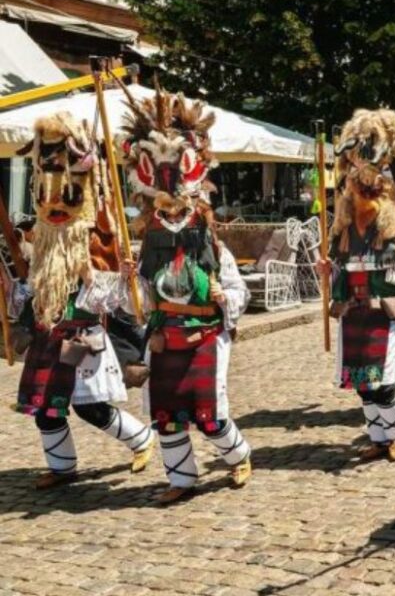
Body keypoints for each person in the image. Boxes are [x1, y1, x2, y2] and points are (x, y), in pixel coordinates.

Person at [112, 89, 253, 504]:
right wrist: (129, 281)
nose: (173, 217)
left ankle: (239, 455)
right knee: (167, 415)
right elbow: (136, 304)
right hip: (164, 336)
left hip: (206, 333)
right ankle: (181, 479)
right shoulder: (149, 246)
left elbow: (239, 291)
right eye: (166, 212)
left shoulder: (212, 245)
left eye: (179, 211)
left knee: (209, 415)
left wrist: (223, 296)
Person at [12, 112, 154, 490]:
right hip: (48, 336)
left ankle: (142, 438)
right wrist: (15, 289)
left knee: (90, 408)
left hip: (81, 338)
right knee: (45, 409)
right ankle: (62, 468)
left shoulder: (93, 237)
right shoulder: (43, 240)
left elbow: (113, 301)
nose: (54, 206)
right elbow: (30, 293)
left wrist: (117, 276)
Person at [317, 109, 395, 463]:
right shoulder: (345, 224)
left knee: (385, 382)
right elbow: (340, 267)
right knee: (362, 383)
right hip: (354, 309)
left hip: (385, 310)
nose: (362, 189)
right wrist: (330, 270)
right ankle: (378, 438)